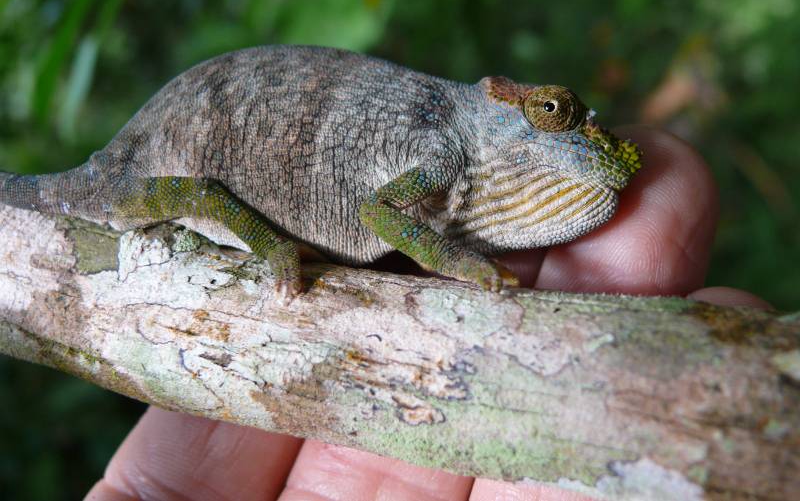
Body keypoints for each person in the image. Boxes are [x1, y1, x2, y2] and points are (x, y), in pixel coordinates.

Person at [84, 127, 771, 501]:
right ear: (504, 105)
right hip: (152, 169)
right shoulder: (446, 143)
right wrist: (461, 265)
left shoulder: (454, 144)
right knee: (198, 197)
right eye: (559, 113)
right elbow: (377, 212)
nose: (582, 132)